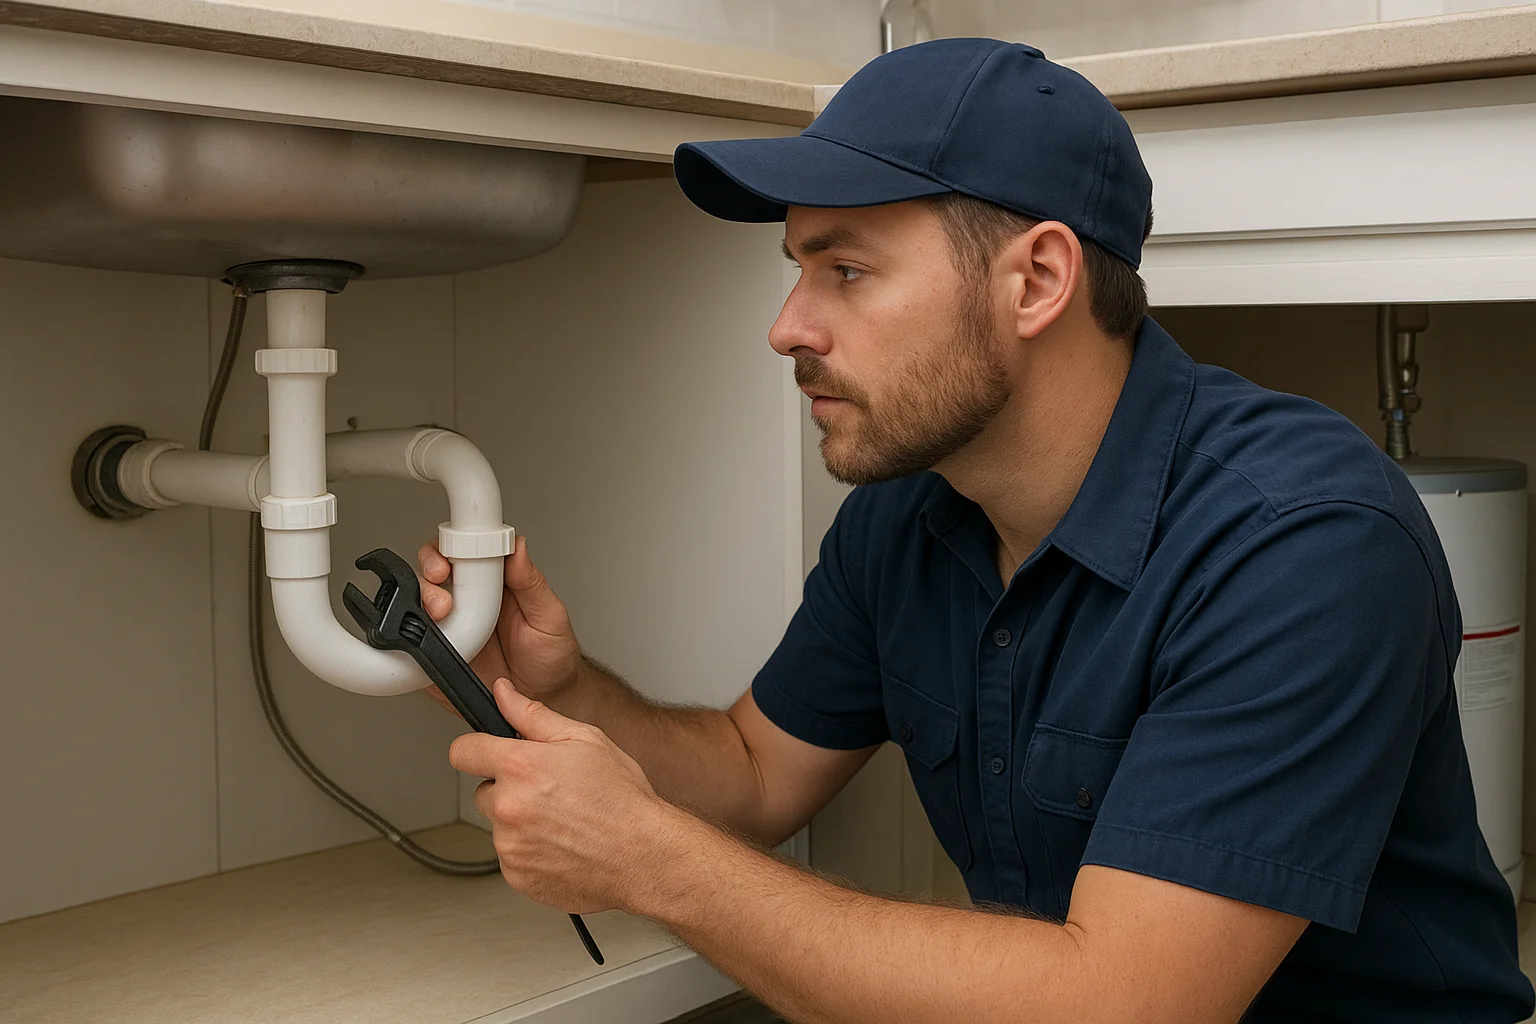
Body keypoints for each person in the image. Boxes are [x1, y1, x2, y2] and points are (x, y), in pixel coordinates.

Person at [419, 38, 1534, 1023]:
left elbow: (1126, 1005)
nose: (787, 327)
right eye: (799, 271)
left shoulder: (1303, 545)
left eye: (847, 270)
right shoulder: (909, 514)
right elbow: (755, 773)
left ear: (1037, 279)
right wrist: (561, 692)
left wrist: (656, 864)